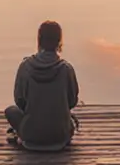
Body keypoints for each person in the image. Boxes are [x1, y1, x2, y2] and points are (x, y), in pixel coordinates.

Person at [5, 21, 80, 151]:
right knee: (70, 119)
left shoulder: (25, 67)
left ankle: (20, 134)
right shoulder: (66, 69)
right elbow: (72, 101)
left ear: (39, 39)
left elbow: (19, 101)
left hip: (31, 135)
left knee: (10, 111)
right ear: (59, 41)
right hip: (60, 136)